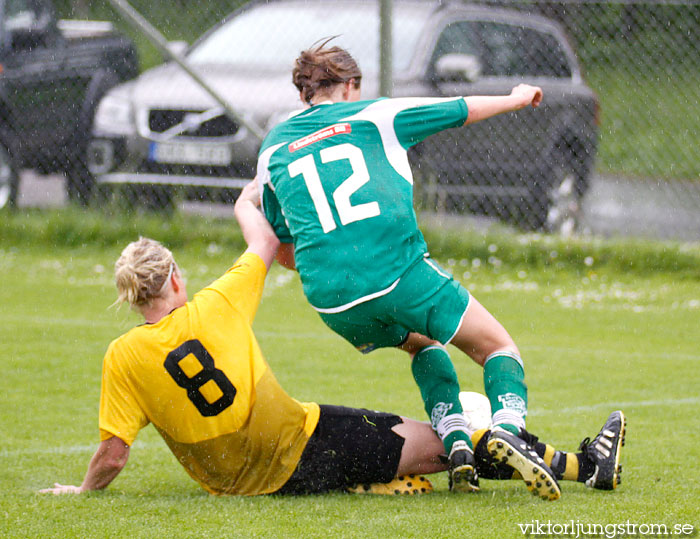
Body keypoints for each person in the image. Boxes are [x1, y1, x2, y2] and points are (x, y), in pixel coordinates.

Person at [38, 183, 626, 499]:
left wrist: (83, 491)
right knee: (446, 443)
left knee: (409, 434)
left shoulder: (121, 357)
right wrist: (248, 197)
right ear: (173, 279)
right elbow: (265, 244)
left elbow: (114, 453)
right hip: (304, 446)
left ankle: (392, 477)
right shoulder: (216, 304)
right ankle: (585, 466)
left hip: (233, 484)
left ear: (133, 297)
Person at [256, 40, 560, 494]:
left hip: (332, 301)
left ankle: (457, 443)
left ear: (303, 95)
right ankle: (508, 433)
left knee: (423, 345)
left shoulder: (273, 147)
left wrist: (334, 264)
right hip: (396, 273)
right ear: (351, 85)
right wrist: (516, 98)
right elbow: (459, 108)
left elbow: (279, 244)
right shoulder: (374, 115)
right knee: (498, 348)